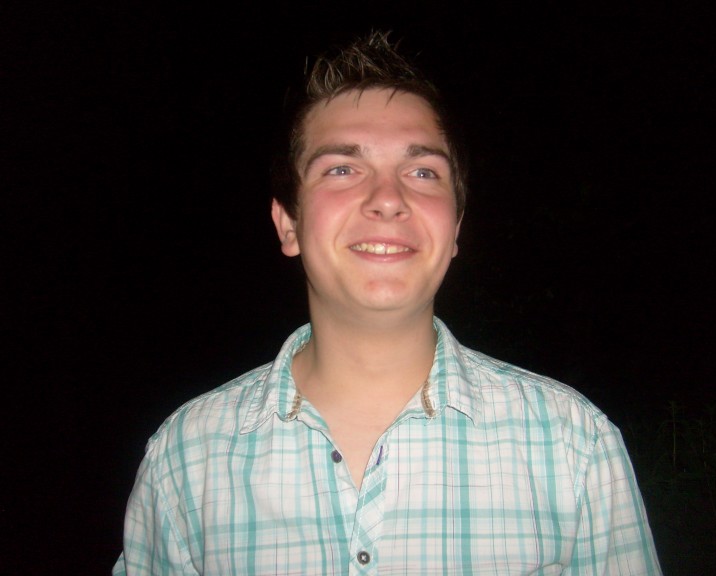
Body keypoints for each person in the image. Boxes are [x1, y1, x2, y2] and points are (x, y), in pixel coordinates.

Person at [113, 30, 661, 575]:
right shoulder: (186, 458)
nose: (388, 199)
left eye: (422, 172)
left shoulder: (574, 445)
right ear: (288, 223)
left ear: (455, 229)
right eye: (342, 169)